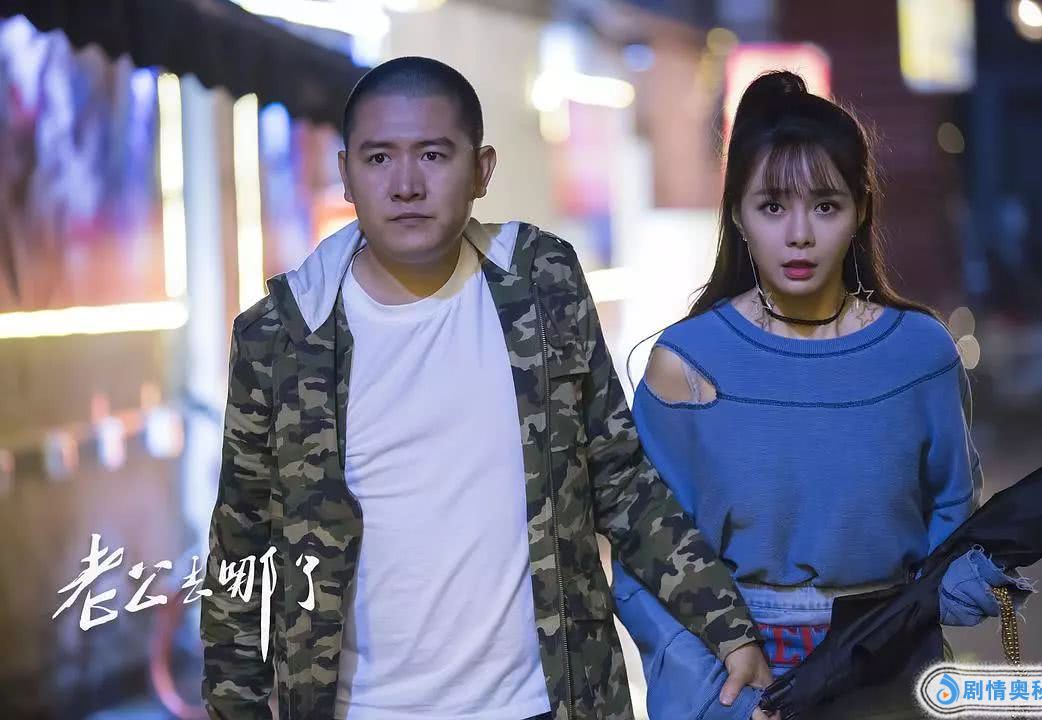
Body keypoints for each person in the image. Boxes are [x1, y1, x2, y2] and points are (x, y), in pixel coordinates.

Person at [200, 55, 772, 720]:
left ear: (481, 170)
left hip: (544, 703)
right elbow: (240, 543)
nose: (406, 184)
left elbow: (620, 480)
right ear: (347, 175)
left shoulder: (541, 285)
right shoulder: (283, 334)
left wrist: (726, 624)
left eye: (433, 155)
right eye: (379, 158)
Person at [613, 71, 1025, 719]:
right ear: (738, 215)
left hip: (885, 661)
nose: (799, 233)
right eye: (773, 207)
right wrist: (717, 690)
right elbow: (647, 554)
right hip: (734, 670)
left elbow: (950, 512)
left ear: (861, 210)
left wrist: (952, 589)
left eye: (826, 205)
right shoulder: (687, 362)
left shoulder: (919, 353)